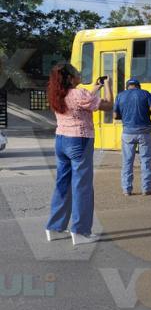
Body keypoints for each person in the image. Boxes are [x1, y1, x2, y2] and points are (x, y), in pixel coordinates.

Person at [45, 63, 113, 246]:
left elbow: (84, 99)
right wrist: (109, 85)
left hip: (61, 140)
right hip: (79, 140)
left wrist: (96, 87)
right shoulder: (79, 93)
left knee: (62, 184)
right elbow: (108, 105)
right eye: (76, 73)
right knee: (82, 186)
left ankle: (55, 227)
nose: (79, 74)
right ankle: (80, 231)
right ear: (69, 78)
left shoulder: (57, 94)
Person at [114, 78, 151, 196]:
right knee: (145, 160)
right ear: (138, 86)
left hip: (128, 132)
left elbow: (115, 115)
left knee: (127, 161)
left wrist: (124, 116)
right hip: (144, 131)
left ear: (128, 86)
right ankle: (146, 188)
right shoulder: (145, 93)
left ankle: (127, 189)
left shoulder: (120, 95)